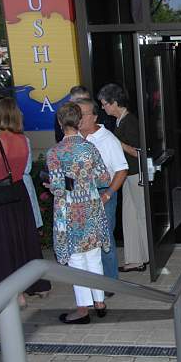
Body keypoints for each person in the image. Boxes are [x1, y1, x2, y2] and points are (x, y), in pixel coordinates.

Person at [0, 97, 51, 306]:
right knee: (22, 241)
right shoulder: (21, 140)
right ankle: (37, 285)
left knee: (1, 245)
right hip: (19, 195)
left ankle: (12, 294)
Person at [47, 102, 110, 324]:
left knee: (76, 261)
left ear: (60, 123)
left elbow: (57, 187)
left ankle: (83, 310)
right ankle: (100, 302)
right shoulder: (90, 148)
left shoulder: (54, 152)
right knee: (94, 256)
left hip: (70, 211)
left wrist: (60, 184)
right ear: (80, 121)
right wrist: (85, 179)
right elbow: (104, 178)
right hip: (91, 207)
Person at [75, 98, 128, 281]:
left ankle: (110, 281)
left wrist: (107, 195)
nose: (79, 118)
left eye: (84, 114)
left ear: (95, 116)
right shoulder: (74, 138)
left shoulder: (107, 139)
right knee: (85, 240)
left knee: (104, 238)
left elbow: (122, 170)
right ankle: (92, 279)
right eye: (77, 113)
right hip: (80, 195)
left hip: (102, 192)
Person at [98, 83, 149, 272]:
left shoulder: (130, 121)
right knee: (130, 216)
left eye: (105, 104)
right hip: (127, 174)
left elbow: (140, 152)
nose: (103, 108)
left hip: (136, 174)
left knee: (140, 215)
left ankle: (146, 256)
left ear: (114, 103)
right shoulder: (119, 121)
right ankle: (137, 258)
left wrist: (116, 143)